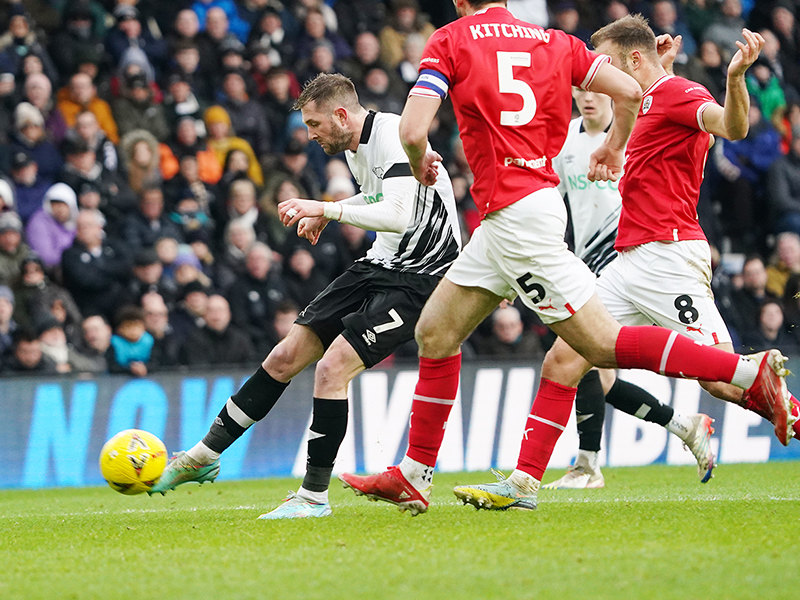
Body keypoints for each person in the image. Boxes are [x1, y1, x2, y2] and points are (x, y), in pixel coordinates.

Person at [336, 4, 791, 517]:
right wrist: (616, 147)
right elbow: (633, 90)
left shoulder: (451, 39)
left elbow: (413, 133)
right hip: (519, 217)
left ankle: (748, 375)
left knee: (601, 346)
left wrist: (419, 167)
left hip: (540, 223)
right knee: (438, 333)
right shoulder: (556, 42)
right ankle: (418, 476)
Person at [149, 73, 461, 522]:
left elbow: (399, 213)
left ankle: (313, 496)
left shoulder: (394, 134)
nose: (310, 135)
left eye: (314, 124)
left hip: (422, 277)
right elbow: (381, 195)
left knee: (332, 368)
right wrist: (334, 214)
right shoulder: (358, 147)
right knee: (284, 356)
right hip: (380, 264)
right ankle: (202, 456)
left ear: (340, 115)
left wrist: (326, 208)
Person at [543, 85, 718, 489]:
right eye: (579, 91)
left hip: (630, 258)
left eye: (595, 91)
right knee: (594, 373)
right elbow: (555, 201)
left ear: (613, 94)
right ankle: (684, 425)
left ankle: (587, 466)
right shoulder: (565, 140)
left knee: (579, 355)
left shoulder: (634, 132)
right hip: (585, 262)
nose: (588, 98)